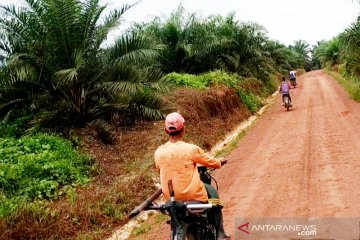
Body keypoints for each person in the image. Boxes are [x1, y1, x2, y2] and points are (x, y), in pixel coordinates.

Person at [155, 112, 231, 240]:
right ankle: (220, 233)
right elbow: (211, 162)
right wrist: (219, 162)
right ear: (183, 129)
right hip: (193, 196)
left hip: (170, 199)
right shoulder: (191, 149)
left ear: (165, 130)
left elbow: (160, 170)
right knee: (212, 191)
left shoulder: (158, 152)